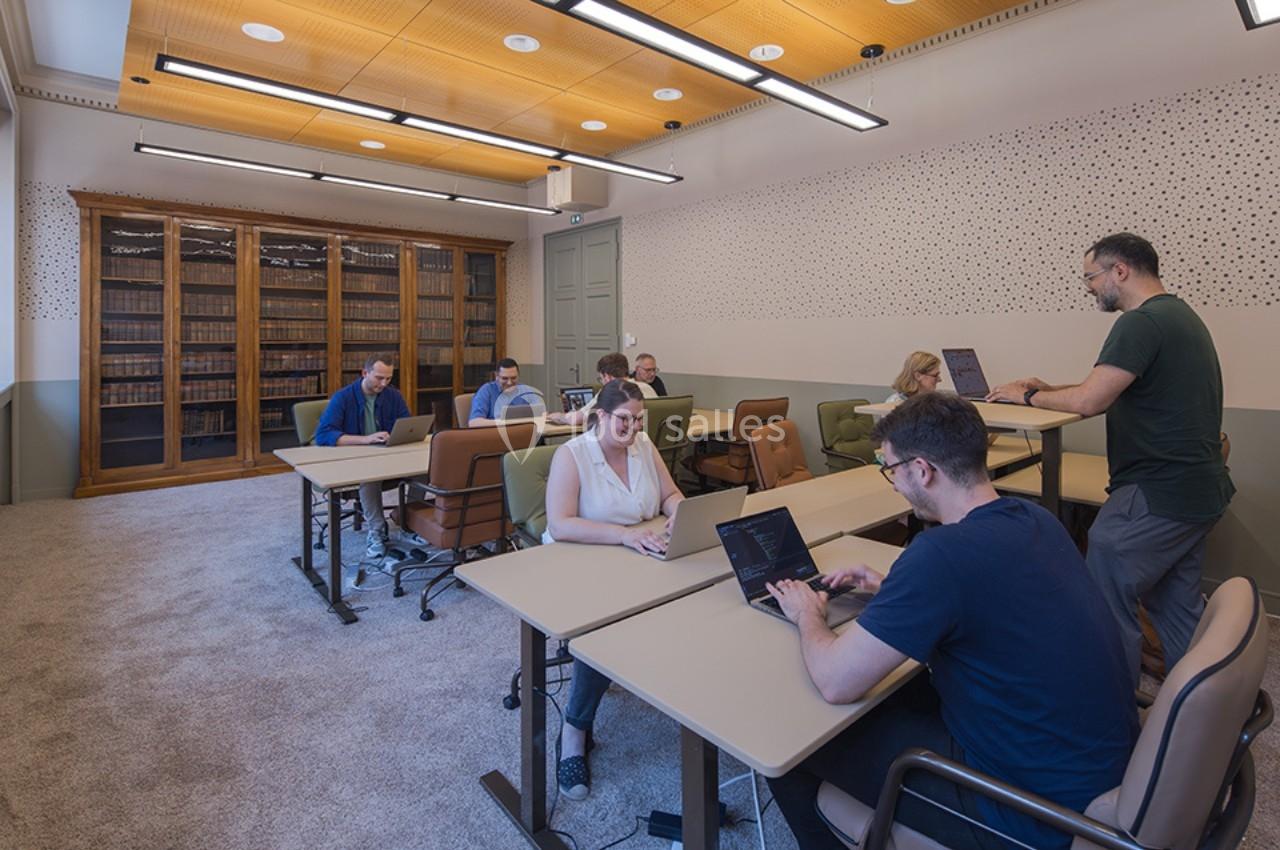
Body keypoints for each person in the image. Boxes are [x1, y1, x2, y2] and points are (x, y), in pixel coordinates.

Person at [764, 393, 1137, 850]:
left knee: (787, 750)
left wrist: (807, 614)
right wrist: (897, 593)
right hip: (1098, 766)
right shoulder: (1036, 518)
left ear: (922, 470)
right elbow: (995, 599)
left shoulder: (940, 555)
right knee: (898, 696)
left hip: (1031, 808)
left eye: (892, 470)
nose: (895, 484)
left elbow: (835, 681)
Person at [988, 233, 1234, 684]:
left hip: (1155, 494)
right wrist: (1049, 388)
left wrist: (1028, 395)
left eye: (1090, 277)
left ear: (1119, 270)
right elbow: (1110, 387)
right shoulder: (1182, 318)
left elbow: (1089, 401)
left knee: (1101, 603)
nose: (1088, 287)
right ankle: (1206, 710)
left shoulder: (1139, 322)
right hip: (1198, 493)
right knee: (1176, 608)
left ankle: (1109, 714)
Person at [543, 380, 684, 800]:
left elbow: (671, 494)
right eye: (624, 419)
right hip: (582, 560)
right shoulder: (573, 455)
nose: (633, 429)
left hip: (642, 551)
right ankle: (574, 730)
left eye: (639, 420)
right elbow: (560, 524)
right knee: (605, 630)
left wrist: (679, 513)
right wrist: (623, 536)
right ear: (600, 416)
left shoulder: (645, 448)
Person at [314, 354, 419, 558]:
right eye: (379, 378)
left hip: (387, 455)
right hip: (354, 460)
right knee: (370, 477)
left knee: (427, 470)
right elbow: (323, 435)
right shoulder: (343, 397)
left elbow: (407, 424)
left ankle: (409, 522)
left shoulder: (393, 396)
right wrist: (366, 439)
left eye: (388, 378)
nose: (384, 383)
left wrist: (400, 433)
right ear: (364, 373)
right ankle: (377, 530)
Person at [548, 352, 655, 427]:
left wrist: (558, 416)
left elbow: (576, 419)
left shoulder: (611, 392)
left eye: (601, 378)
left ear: (607, 376)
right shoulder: (648, 388)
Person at [468, 358, 544, 426]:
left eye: (514, 378)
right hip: (495, 436)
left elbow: (541, 415)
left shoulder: (526, 391)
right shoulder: (486, 390)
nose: (509, 383)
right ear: (496, 376)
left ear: (519, 376)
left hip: (523, 436)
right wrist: (505, 423)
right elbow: (474, 422)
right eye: (504, 378)